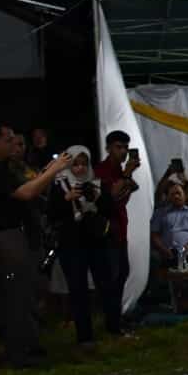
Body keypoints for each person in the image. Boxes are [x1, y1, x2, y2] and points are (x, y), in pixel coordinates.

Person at [0, 123, 72, 368]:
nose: (12, 145)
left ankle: (28, 347)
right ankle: (21, 353)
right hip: (4, 238)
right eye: (8, 140)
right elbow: (25, 193)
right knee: (16, 296)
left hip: (16, 236)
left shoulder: (3, 168)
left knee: (26, 294)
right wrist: (54, 170)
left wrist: (46, 172)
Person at [47, 146, 121, 345]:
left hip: (96, 241)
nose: (79, 169)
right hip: (71, 244)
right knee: (78, 289)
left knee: (106, 284)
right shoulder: (59, 185)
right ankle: (84, 336)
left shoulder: (96, 183)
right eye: (75, 164)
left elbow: (111, 210)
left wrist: (97, 197)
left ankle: (114, 327)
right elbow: (51, 214)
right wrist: (66, 200)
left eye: (83, 164)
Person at [95, 131, 142, 317]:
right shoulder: (101, 170)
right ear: (108, 148)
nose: (123, 152)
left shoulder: (118, 172)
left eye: (126, 148)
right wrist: (128, 174)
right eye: (118, 147)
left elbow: (130, 189)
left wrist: (127, 176)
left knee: (121, 275)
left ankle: (116, 320)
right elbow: (111, 196)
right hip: (107, 233)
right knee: (111, 279)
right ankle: (112, 323)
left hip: (120, 230)